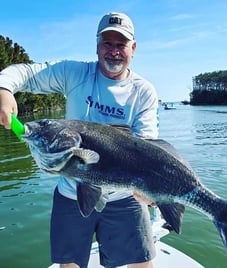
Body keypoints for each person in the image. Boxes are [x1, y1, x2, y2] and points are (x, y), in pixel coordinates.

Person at [0, 12, 159, 268]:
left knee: (141, 264)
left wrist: (151, 186)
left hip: (124, 196)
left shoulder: (144, 91)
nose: (114, 51)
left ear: (134, 48)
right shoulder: (74, 74)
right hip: (71, 194)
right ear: (97, 46)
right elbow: (25, 72)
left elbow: (147, 143)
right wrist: (4, 90)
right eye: (108, 43)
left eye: (121, 44)